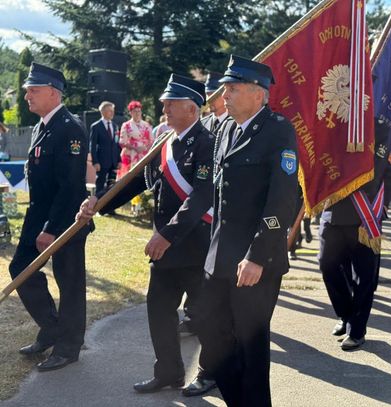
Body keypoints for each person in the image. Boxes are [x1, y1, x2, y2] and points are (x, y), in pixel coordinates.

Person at [77, 74, 214, 393]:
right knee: (159, 312)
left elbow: (201, 197)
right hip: (165, 249)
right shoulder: (164, 144)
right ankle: (169, 372)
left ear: (191, 108)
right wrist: (99, 202)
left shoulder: (207, 144)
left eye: (170, 103)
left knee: (206, 317)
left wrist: (166, 235)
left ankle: (211, 373)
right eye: (164, 103)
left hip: (195, 247)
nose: (164, 108)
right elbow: (135, 182)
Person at [192, 55, 298, 406]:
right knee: (210, 330)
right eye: (225, 88)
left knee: (251, 346)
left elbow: (282, 200)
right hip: (220, 256)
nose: (224, 95)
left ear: (258, 94)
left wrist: (257, 256)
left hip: (255, 261)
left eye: (233, 88)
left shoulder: (278, 129)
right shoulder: (224, 129)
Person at [9, 62, 92, 371]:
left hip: (66, 220)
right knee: (21, 268)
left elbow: (70, 187)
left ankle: (68, 348)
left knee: (70, 283)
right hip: (39, 217)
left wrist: (51, 229)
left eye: (34, 90)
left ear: (53, 93)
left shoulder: (70, 128)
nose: (27, 95)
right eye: (27, 90)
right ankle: (52, 327)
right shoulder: (41, 127)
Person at [318, 120, 390, 351]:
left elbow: (384, 169)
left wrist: (383, 202)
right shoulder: (329, 123)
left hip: (364, 212)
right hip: (333, 209)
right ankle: (345, 314)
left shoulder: (379, 126)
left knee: (364, 275)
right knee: (327, 265)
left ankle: (357, 330)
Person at [181, 70, 229, 398]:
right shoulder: (206, 126)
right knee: (207, 300)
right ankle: (211, 368)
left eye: (217, 92)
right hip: (201, 227)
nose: (212, 98)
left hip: (230, 230)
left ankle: (217, 369)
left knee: (225, 309)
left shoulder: (243, 127)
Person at [89, 101, 121, 194]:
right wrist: (95, 162)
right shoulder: (96, 126)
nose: (112, 113)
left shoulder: (115, 126)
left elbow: (116, 144)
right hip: (102, 162)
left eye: (113, 111)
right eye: (109, 111)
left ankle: (110, 203)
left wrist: (119, 160)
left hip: (113, 161)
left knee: (112, 186)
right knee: (100, 185)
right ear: (102, 112)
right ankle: (98, 202)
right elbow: (92, 146)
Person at [117, 100, 153, 179]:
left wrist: (145, 148)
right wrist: (135, 148)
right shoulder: (126, 125)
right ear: (130, 113)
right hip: (130, 155)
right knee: (127, 178)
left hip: (144, 154)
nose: (137, 113)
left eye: (139, 111)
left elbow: (151, 141)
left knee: (143, 177)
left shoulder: (147, 125)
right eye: (135, 111)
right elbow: (122, 142)